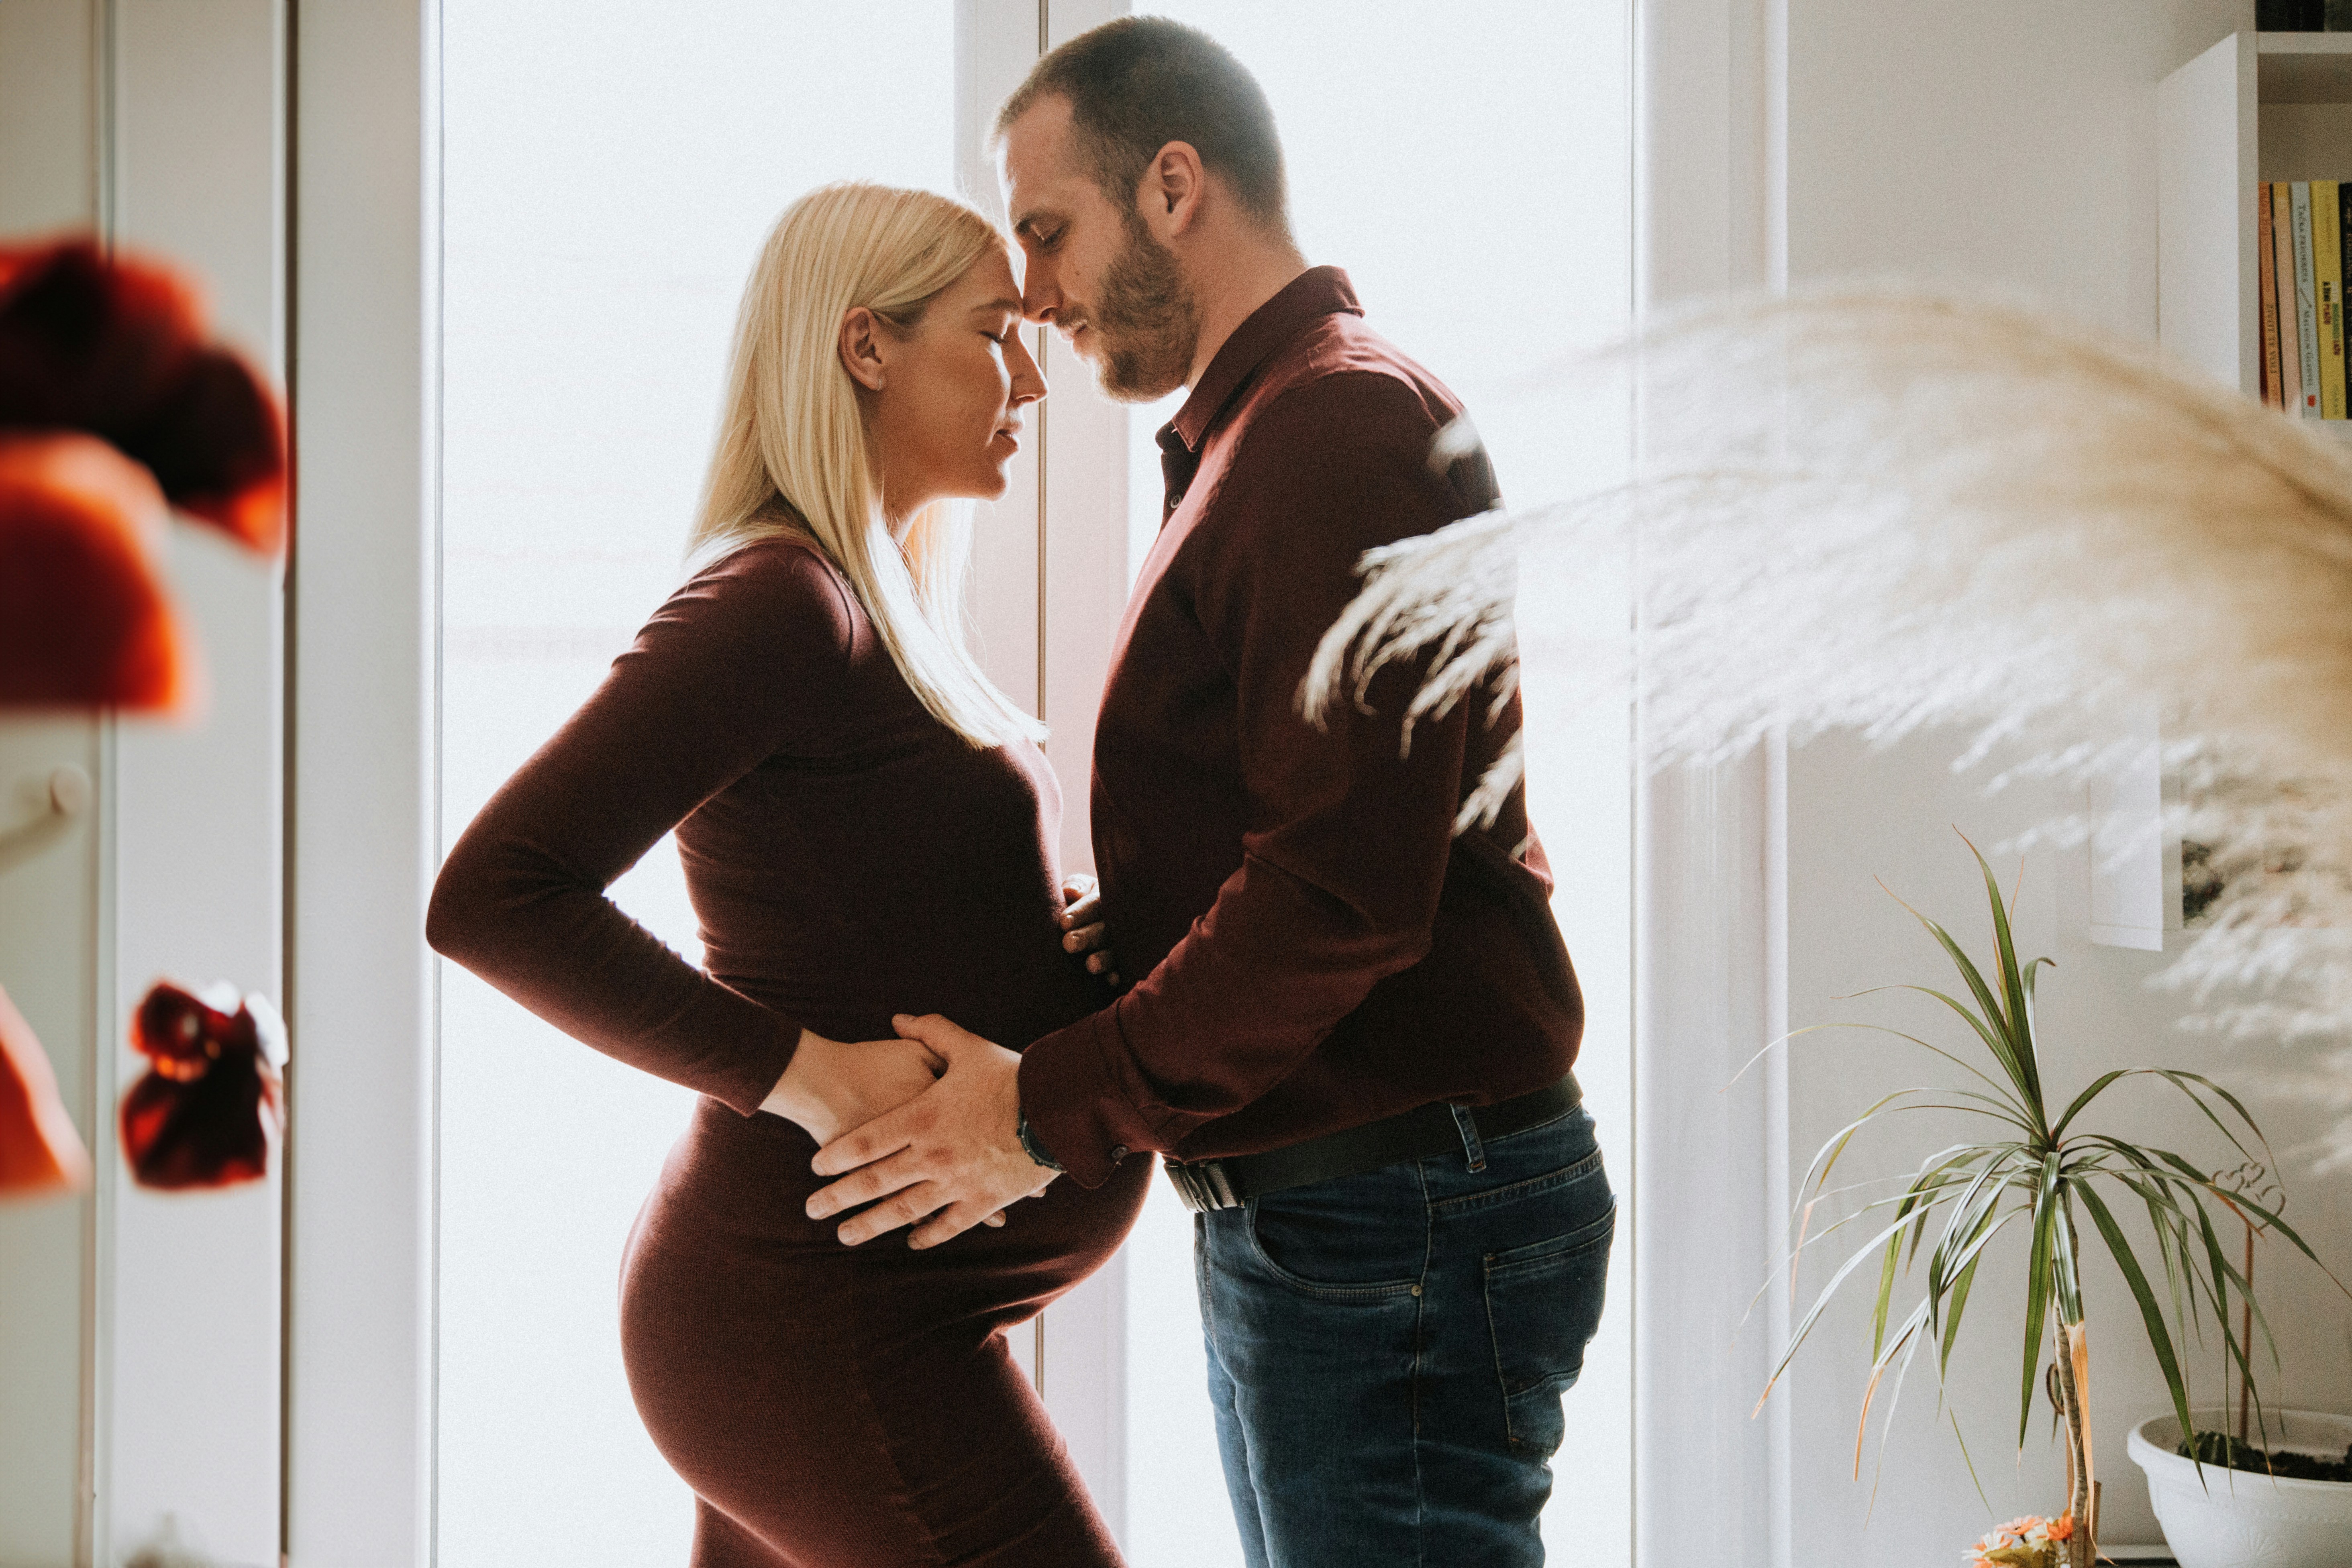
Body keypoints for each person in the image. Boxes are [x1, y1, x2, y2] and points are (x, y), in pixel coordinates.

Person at [804, 19, 1615, 1568]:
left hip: (1396, 1215)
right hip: (1353, 1209)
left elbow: (1339, 892)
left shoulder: (1333, 430)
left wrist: (1035, 1118)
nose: (1031, 296)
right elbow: (1329, 821)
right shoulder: (1271, 427)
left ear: (1172, 185)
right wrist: (1141, 925)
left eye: (1047, 231)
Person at [424, 181, 1151, 1568]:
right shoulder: (777, 600)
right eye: (994, 334)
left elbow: (867, 895)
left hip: (826, 1319)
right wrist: (804, 1070)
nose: (1029, 382)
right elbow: (496, 893)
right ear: (865, 346)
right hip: (822, 1322)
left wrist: (1055, 941)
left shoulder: (863, 604)